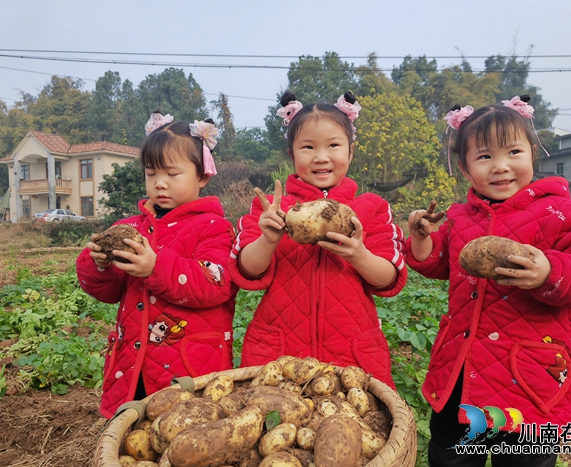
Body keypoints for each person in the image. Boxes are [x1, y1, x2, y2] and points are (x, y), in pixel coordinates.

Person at [406, 96, 571, 467]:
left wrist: (549, 271)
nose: (501, 166)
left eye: (513, 152)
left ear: (532, 154)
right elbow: (441, 262)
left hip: (530, 379)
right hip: (462, 373)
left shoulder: (565, 214)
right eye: (485, 156)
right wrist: (422, 239)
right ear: (465, 168)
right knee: (450, 466)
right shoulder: (458, 217)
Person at [228, 92, 407, 387]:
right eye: (308, 147)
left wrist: (359, 255)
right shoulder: (272, 208)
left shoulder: (372, 207)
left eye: (333, 145)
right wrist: (267, 241)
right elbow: (247, 271)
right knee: (272, 408)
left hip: (350, 352)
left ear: (350, 151)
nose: (321, 157)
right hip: (280, 352)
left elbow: (389, 279)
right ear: (292, 154)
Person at [77, 112, 238, 418]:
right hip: (133, 365)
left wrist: (156, 267)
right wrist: (99, 265)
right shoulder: (129, 227)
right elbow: (109, 292)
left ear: (203, 176)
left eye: (172, 174)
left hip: (188, 366)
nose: (160, 183)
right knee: (132, 432)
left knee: (190, 431)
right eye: (151, 174)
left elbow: (215, 284)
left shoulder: (214, 228)